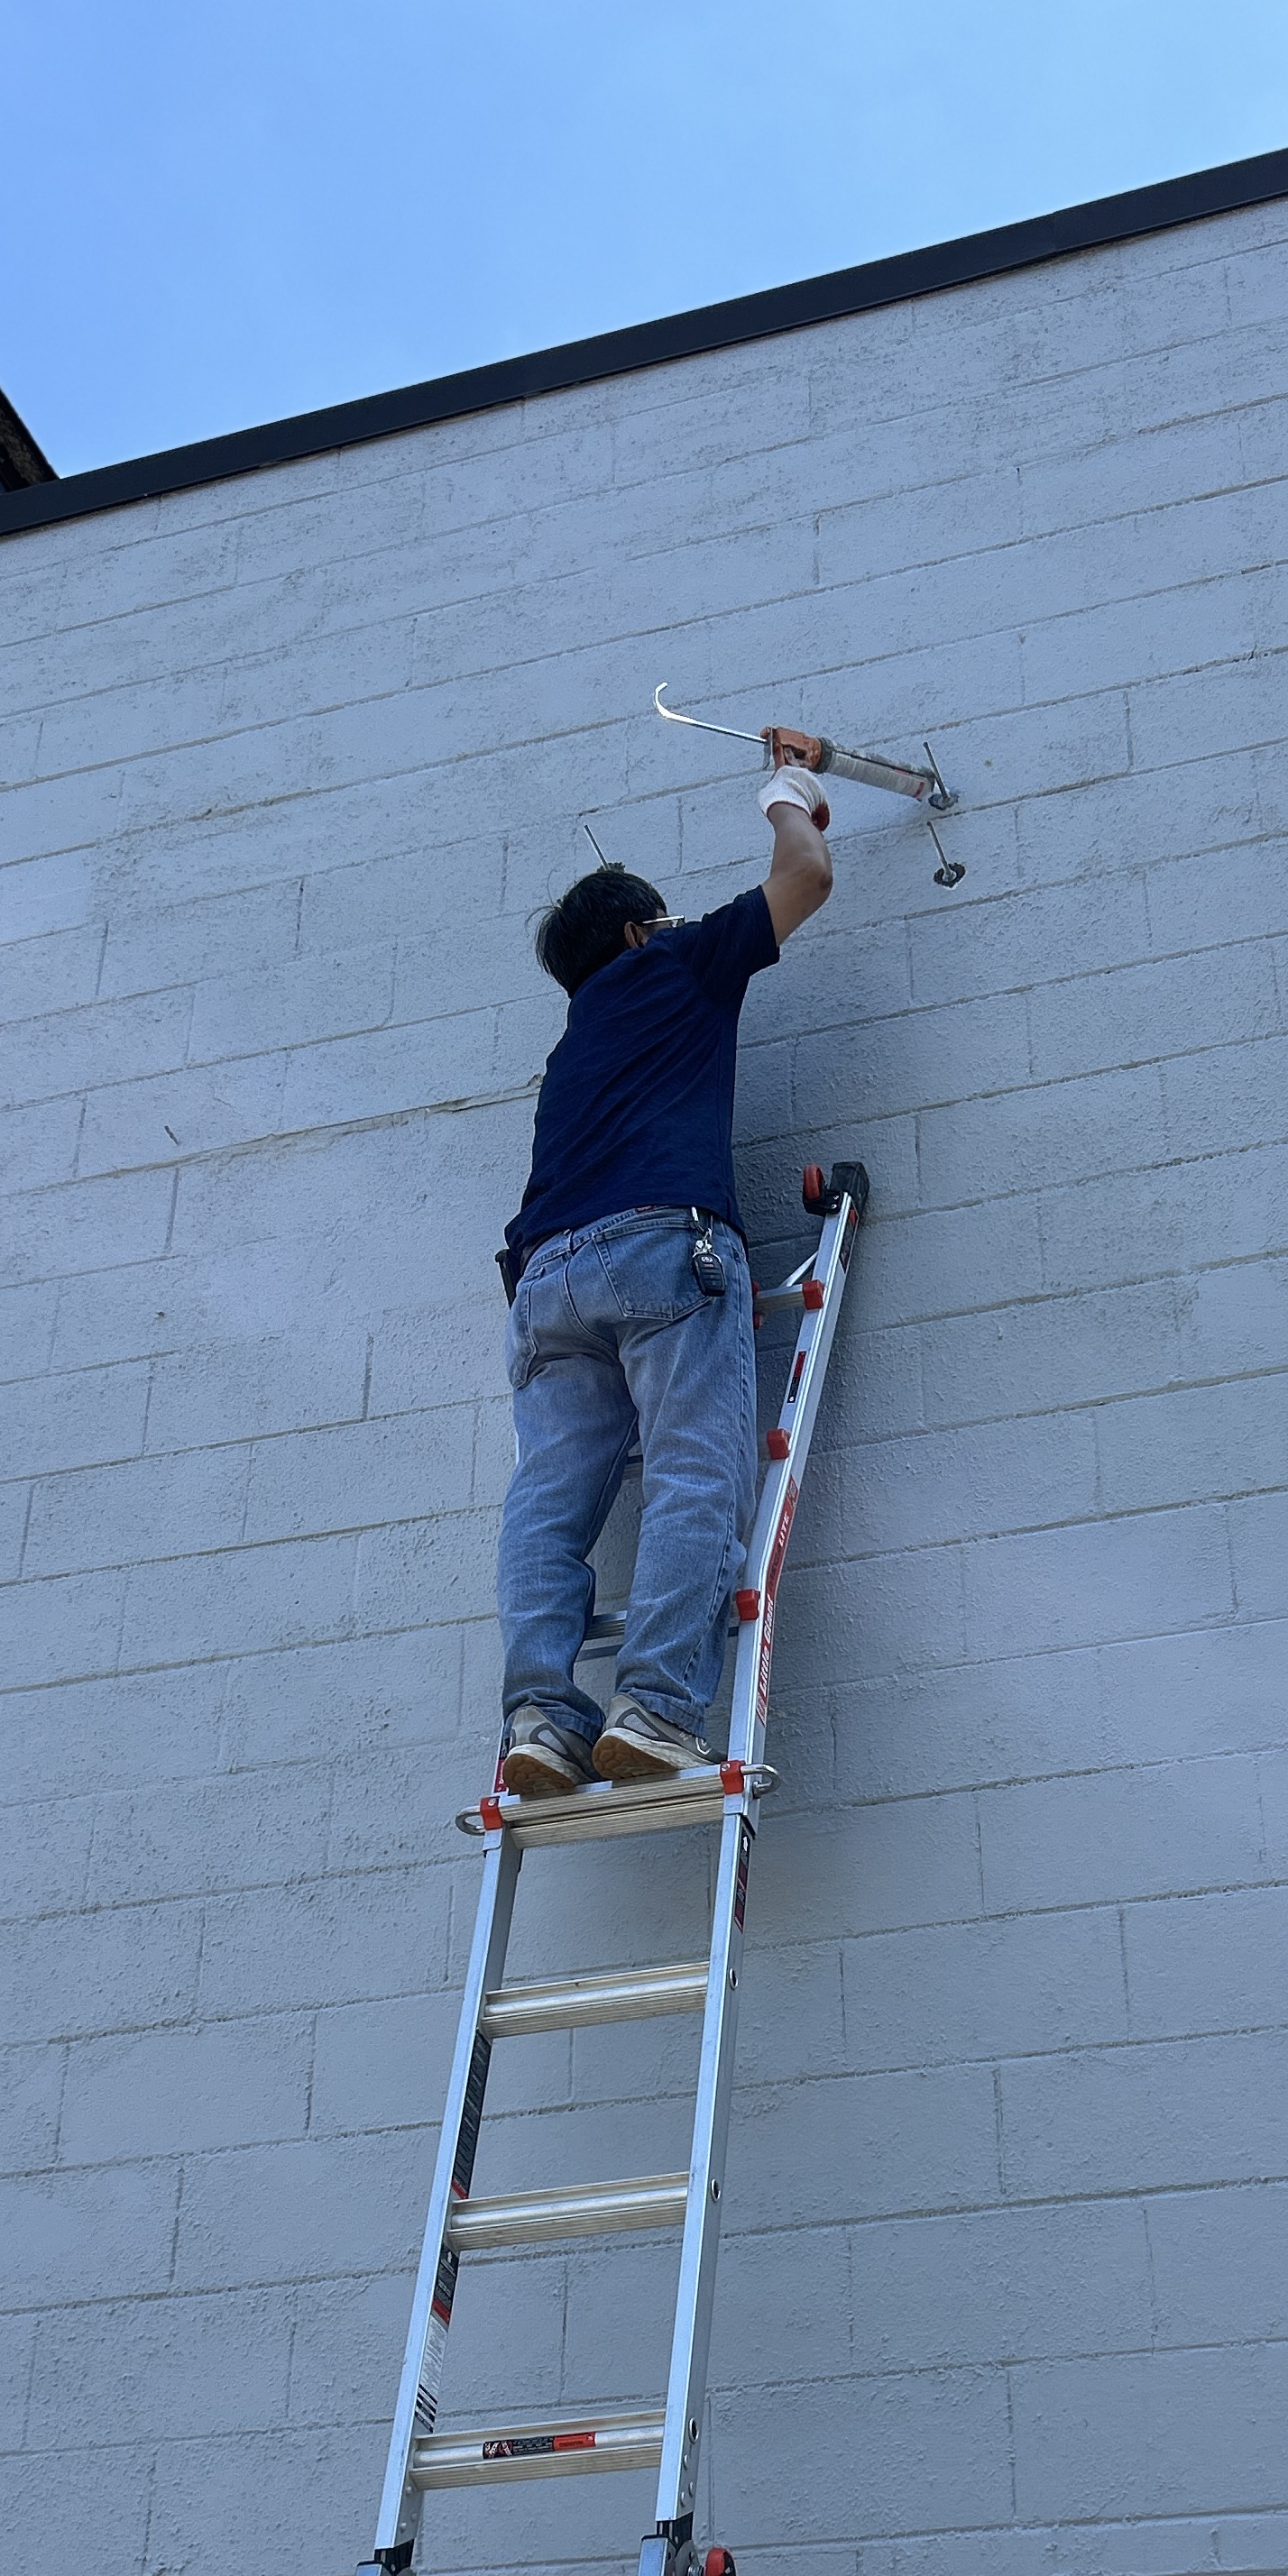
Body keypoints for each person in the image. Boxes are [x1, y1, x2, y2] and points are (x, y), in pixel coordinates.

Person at [491, 745, 835, 1796]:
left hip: (546, 1281)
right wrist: (788, 789)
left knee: (548, 1509)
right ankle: (655, 1709)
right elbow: (807, 875)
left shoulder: (569, 1053)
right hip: (658, 1249)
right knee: (696, 1471)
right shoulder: (675, 965)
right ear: (642, 932)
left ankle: (538, 1722)